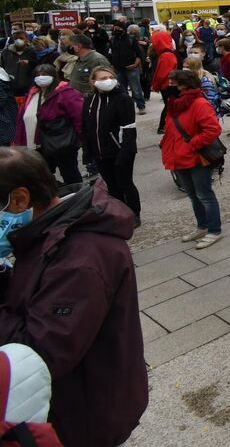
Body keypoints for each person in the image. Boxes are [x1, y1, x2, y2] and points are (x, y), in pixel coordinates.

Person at [0, 147, 147, 446]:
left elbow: (40, 353)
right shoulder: (47, 234)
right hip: (73, 401)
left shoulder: (80, 259)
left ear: (19, 199)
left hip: (84, 414)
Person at [160, 69, 224, 249]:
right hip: (178, 156)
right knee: (193, 195)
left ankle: (214, 230)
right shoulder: (174, 103)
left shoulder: (199, 103)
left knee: (205, 195)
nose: (169, 86)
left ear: (185, 86)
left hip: (195, 157)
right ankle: (202, 226)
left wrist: (191, 145)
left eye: (173, 84)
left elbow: (212, 130)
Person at [81, 66, 140, 224]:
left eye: (109, 77)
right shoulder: (89, 101)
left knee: (125, 182)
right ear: (93, 82)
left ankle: (134, 213)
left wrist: (125, 152)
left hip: (120, 150)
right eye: (102, 78)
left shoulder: (122, 99)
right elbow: (85, 128)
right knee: (112, 186)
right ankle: (120, 212)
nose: (107, 81)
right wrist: (88, 152)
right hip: (100, 152)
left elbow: (129, 128)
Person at [14, 65, 83, 186]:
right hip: (36, 145)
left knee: (69, 173)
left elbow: (78, 116)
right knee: (43, 175)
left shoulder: (65, 92)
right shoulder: (33, 93)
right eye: (38, 75)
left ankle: (78, 196)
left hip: (60, 143)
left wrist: (81, 138)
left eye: (45, 74)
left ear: (53, 76)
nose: (41, 77)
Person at [151, 28, 179, 135]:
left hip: (167, 85)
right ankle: (163, 126)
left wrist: (156, 85)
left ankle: (164, 125)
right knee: (169, 105)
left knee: (169, 105)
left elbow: (163, 74)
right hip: (168, 85)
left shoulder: (166, 55)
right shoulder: (168, 53)